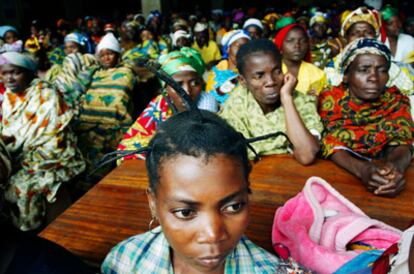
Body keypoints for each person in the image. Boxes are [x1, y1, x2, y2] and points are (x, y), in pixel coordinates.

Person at [102, 110, 311, 274]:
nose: (212, 235)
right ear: (153, 203)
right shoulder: (124, 262)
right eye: (186, 212)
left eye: (233, 206)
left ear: (247, 196)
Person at [0, 52, 85, 231]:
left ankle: (33, 228)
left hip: (51, 154)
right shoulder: (8, 97)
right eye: (5, 73)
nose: (9, 78)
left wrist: (20, 153)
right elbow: (11, 130)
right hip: (19, 154)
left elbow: (53, 136)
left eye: (15, 72)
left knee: (20, 186)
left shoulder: (46, 94)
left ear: (29, 73)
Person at [319, 38, 414, 197]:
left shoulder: (395, 101)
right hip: (339, 185)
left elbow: (403, 142)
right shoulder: (330, 101)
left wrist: (394, 169)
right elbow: (330, 144)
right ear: (346, 76)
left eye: (381, 70)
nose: (374, 78)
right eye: (364, 69)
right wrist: (362, 169)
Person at [219, 39, 323, 164]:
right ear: (242, 80)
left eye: (277, 71)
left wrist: (287, 99)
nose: (271, 82)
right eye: (259, 76)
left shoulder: (301, 101)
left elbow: (306, 155)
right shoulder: (234, 108)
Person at [117, 47, 218, 160]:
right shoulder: (159, 106)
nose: (187, 92)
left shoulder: (207, 104)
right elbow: (125, 148)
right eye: (177, 85)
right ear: (166, 89)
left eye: (195, 83)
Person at [274, 23, 327, 96]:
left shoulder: (318, 75)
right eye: (290, 41)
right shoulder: (271, 71)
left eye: (303, 41)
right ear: (280, 45)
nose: (297, 45)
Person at [205, 29, 250, 106]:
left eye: (247, 48)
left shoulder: (251, 73)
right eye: (239, 46)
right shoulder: (216, 73)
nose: (243, 51)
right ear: (228, 49)